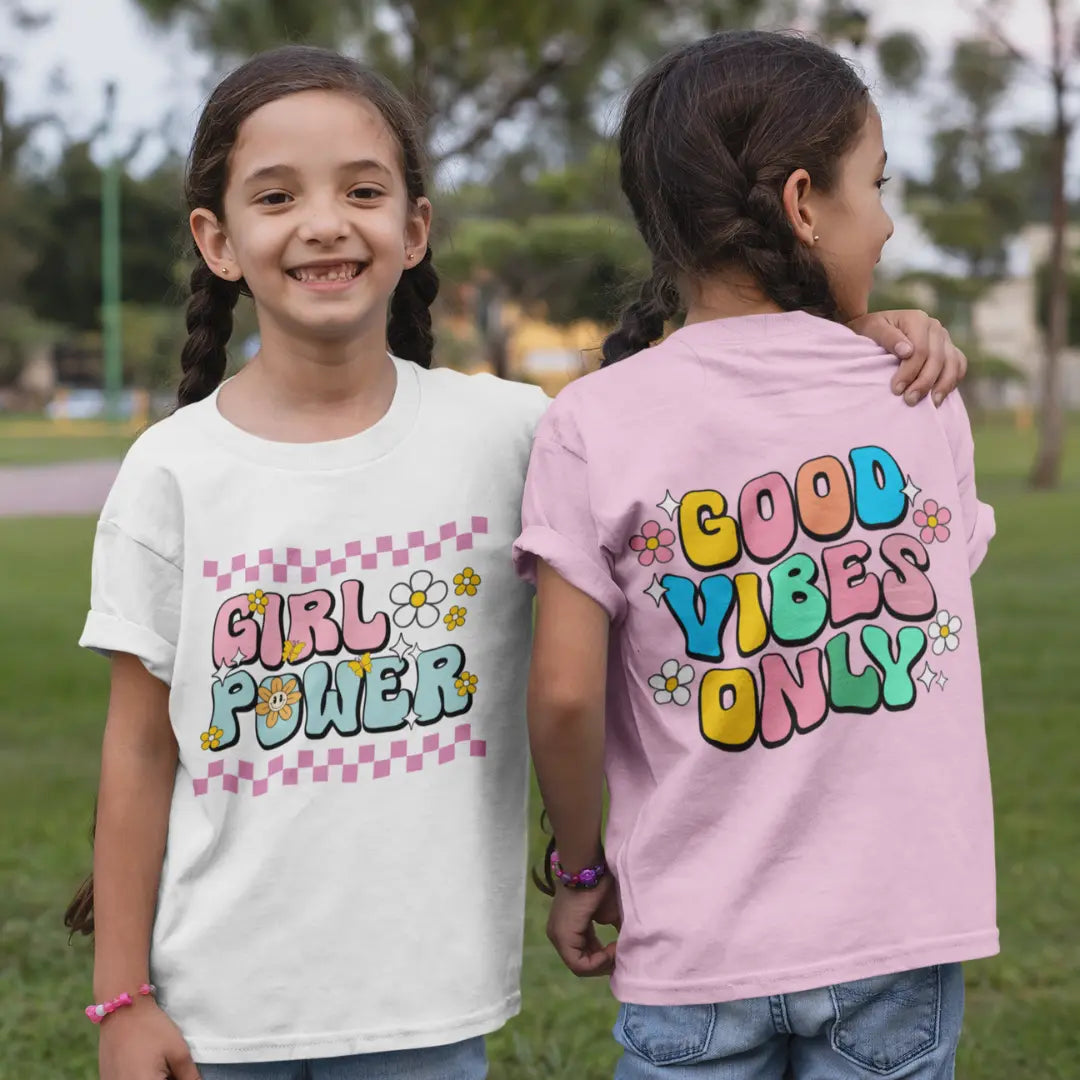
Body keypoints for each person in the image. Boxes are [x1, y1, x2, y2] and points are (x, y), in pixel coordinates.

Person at [515, 30, 996, 1080]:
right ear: (803, 203)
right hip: (893, 942)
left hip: (694, 949)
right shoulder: (916, 397)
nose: (890, 217)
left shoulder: (592, 420)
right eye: (875, 183)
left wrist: (581, 860)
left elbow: (560, 697)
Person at [68, 44, 548, 1079]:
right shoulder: (175, 469)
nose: (325, 222)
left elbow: (700, 422)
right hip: (214, 1019)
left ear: (415, 228)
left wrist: (861, 337)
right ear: (219, 240)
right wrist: (121, 1001)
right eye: (277, 195)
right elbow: (138, 753)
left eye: (363, 190)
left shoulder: (511, 433)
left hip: (426, 1009)